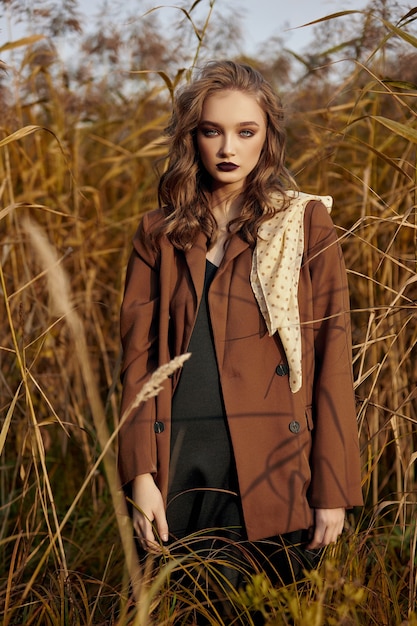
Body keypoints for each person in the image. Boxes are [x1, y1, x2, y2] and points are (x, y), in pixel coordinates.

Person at [118, 59, 363, 608]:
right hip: (175, 463)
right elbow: (136, 364)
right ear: (193, 138)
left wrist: (332, 488)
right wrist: (139, 474)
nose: (228, 147)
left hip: (273, 465)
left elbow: (332, 358)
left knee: (265, 610)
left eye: (245, 132)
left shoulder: (302, 224)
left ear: (267, 139)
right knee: (182, 609)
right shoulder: (157, 234)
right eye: (212, 131)